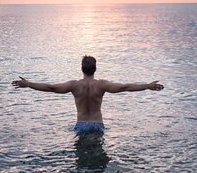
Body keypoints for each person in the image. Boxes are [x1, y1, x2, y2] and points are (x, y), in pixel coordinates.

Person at [11, 55, 164, 135]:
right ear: (95, 68)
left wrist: (29, 84)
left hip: (81, 126)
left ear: (82, 68)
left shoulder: (74, 85)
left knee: (81, 160)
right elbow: (125, 87)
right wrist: (147, 86)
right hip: (97, 126)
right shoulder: (102, 85)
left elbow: (51, 87)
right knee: (97, 160)